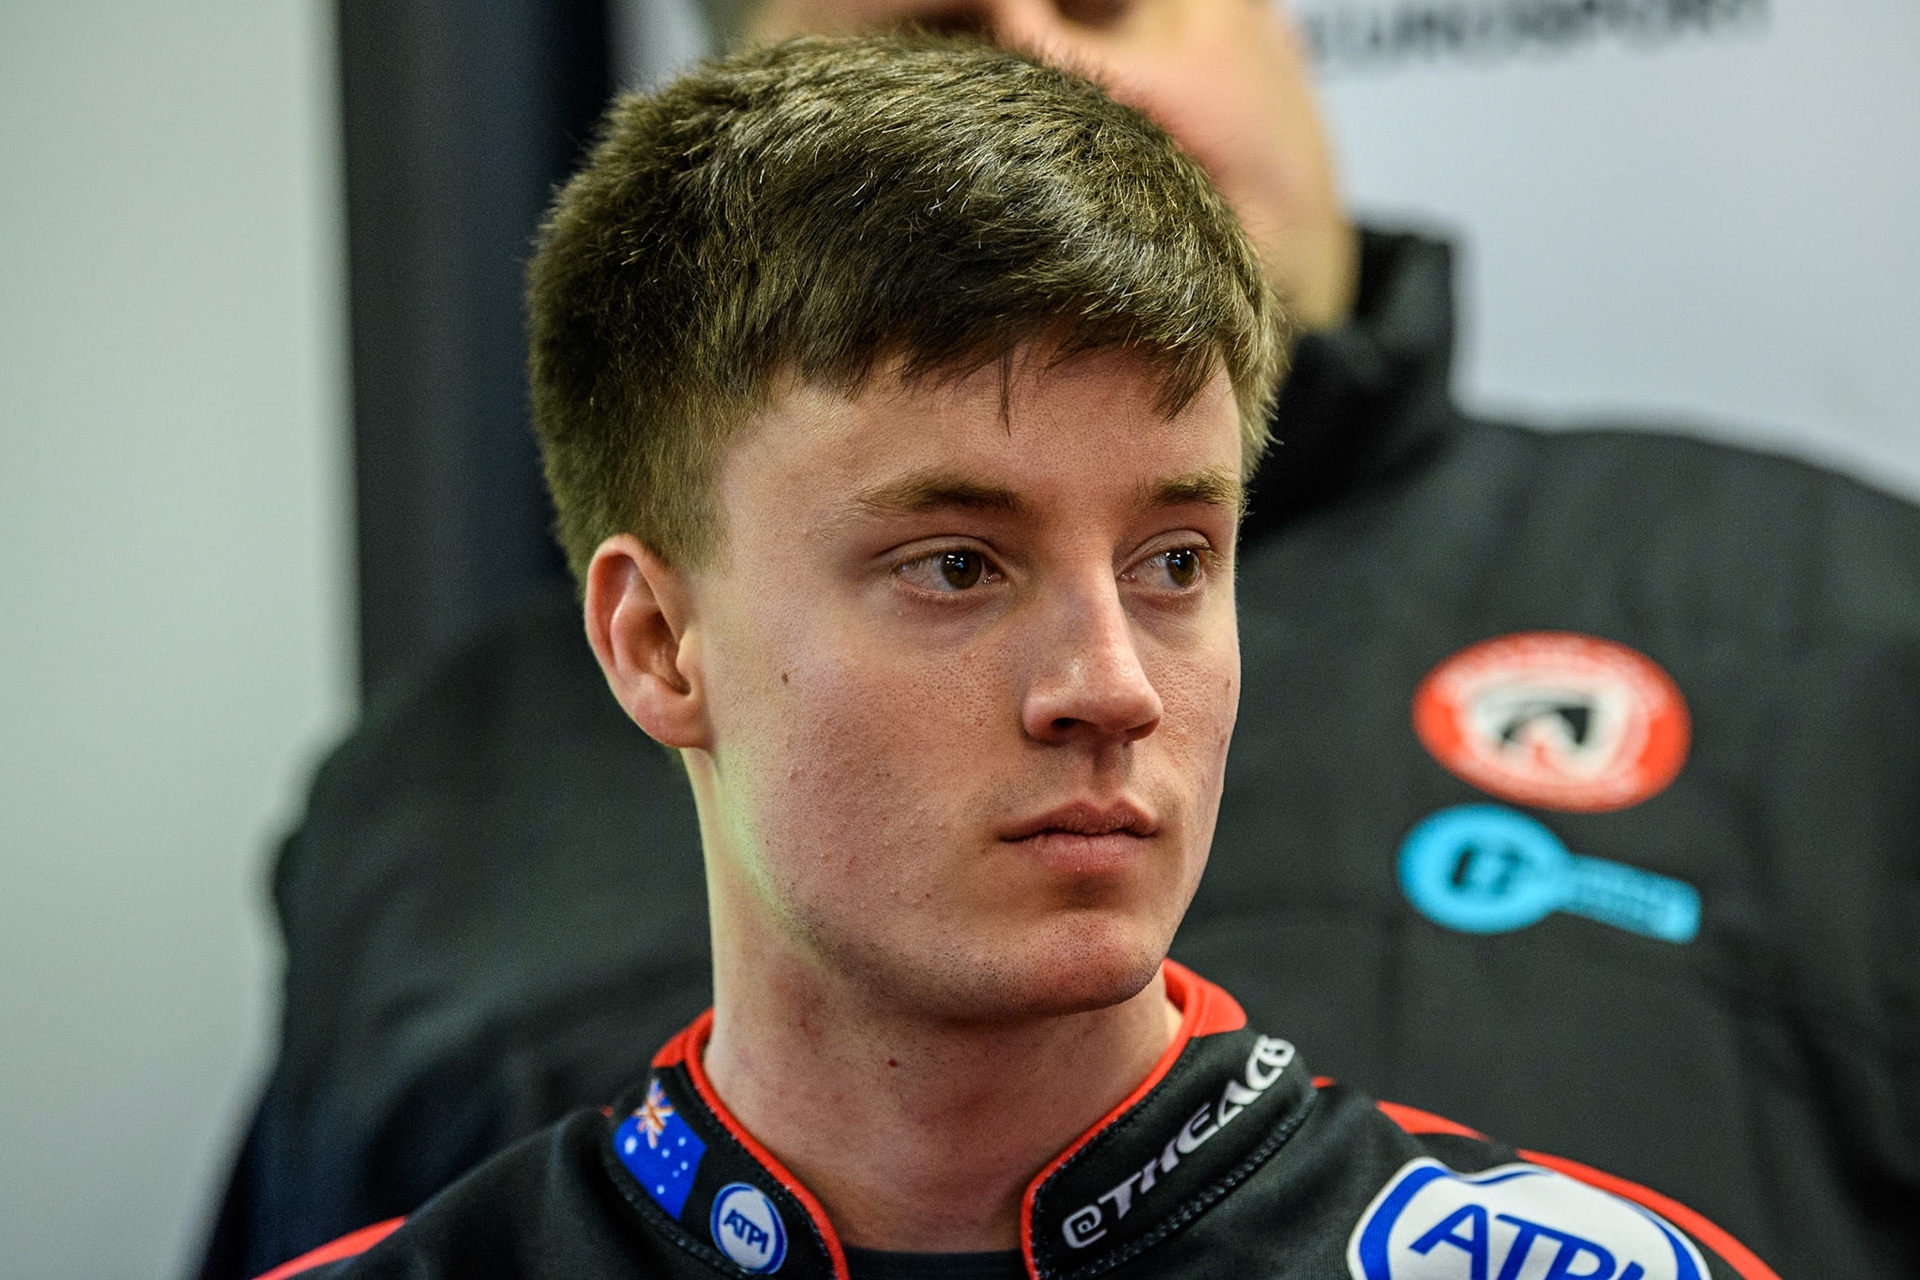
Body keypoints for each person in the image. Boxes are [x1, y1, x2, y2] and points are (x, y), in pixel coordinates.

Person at [197, 2, 1920, 1278]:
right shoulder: (429, 804)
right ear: (654, 642)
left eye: (1178, 559)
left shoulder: (1827, 614)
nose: (1110, 688)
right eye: (956, 565)